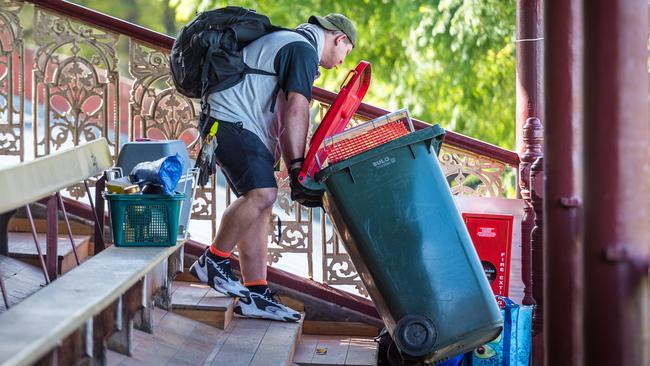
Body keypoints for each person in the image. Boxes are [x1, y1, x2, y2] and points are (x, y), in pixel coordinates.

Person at [189, 13, 357, 322]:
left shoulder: (291, 44)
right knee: (262, 195)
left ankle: (256, 293)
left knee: (261, 205)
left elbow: (280, 116)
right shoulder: (302, 49)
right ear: (340, 39)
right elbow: (297, 109)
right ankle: (213, 261)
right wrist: (296, 166)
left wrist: (293, 166)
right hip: (231, 121)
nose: (344, 61)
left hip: (230, 123)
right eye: (348, 52)